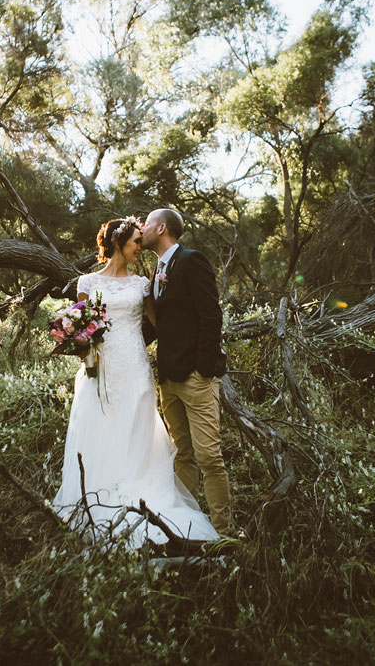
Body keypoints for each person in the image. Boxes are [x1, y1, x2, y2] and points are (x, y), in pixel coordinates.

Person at [53, 216, 219, 547]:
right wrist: (76, 339)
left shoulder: (142, 283)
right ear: (118, 243)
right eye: (134, 243)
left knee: (138, 424)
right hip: (101, 367)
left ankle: (142, 490)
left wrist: (192, 355)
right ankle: (103, 493)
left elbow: (163, 323)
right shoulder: (86, 281)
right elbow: (79, 322)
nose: (138, 248)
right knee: (101, 427)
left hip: (136, 364)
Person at [141, 208, 232, 534]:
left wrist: (203, 370)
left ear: (161, 228)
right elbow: (158, 325)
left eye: (146, 224)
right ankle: (186, 528)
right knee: (183, 456)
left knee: (209, 458)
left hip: (196, 378)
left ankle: (223, 533)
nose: (141, 228)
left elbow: (211, 315)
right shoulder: (156, 272)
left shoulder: (192, 260)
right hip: (168, 379)